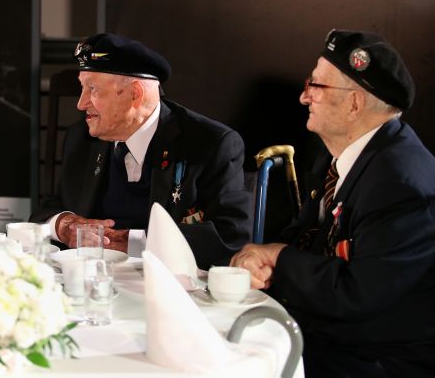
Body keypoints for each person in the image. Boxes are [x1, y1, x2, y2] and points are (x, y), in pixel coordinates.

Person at [230, 29, 435, 377]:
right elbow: (307, 234)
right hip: (335, 337)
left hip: (380, 361)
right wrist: (261, 261)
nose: (303, 97)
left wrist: (278, 256)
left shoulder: (401, 183)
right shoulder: (344, 156)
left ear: (355, 103)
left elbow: (360, 293)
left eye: (316, 86)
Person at [31, 33, 252, 269]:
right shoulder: (82, 138)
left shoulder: (209, 144)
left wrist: (134, 242)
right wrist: (64, 224)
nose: (81, 103)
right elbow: (49, 209)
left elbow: (231, 237)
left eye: (93, 89)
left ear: (135, 94)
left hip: (171, 289)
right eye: (82, 88)